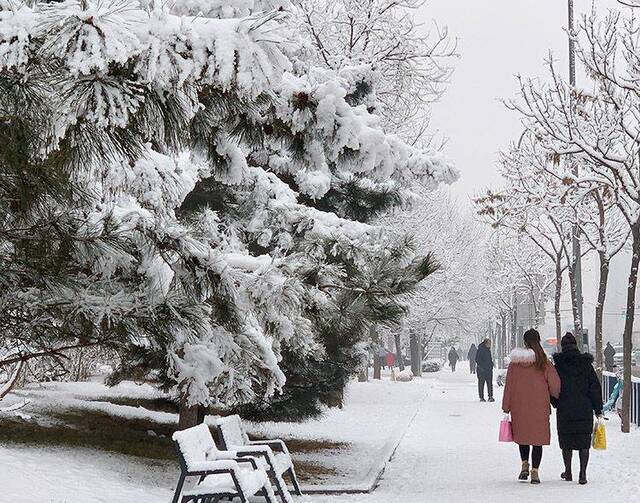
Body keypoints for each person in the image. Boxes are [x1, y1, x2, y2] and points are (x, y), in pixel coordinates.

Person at [502, 329, 561, 485]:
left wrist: (506, 406)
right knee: (537, 439)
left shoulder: (515, 364)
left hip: (519, 406)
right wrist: (556, 396)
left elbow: (509, 386)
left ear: (525, 342)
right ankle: (535, 471)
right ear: (538, 340)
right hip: (539, 406)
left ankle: (524, 465)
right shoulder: (544, 363)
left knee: (523, 437)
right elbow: (555, 385)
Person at [552, 333, 603, 485]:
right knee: (583, 442)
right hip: (584, 408)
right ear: (576, 345)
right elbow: (594, 387)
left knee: (566, 440)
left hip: (565, 408)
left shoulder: (558, 366)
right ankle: (583, 474)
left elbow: (553, 386)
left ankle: (568, 472)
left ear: (562, 346)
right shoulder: (586, 365)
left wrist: (555, 402)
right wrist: (598, 408)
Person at [603, 365, 624, 430]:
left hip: (621, 396)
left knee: (618, 406)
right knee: (618, 406)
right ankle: (623, 421)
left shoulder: (620, 382)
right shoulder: (619, 382)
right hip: (620, 395)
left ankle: (624, 421)